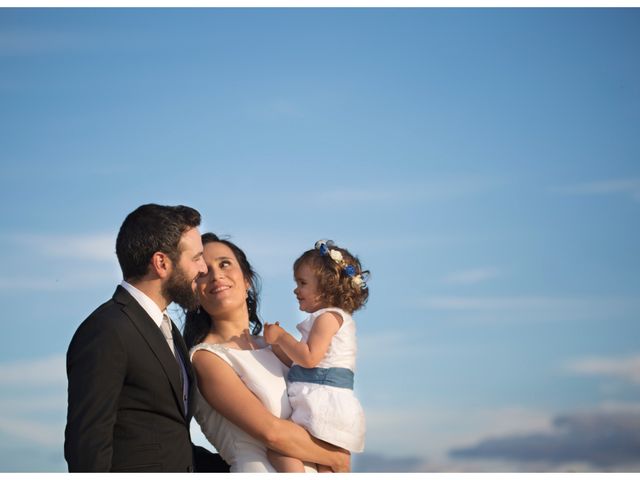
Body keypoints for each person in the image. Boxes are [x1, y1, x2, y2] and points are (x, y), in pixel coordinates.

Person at [64, 204, 228, 472]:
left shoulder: (167, 329)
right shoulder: (107, 330)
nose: (202, 269)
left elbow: (167, 441)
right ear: (161, 263)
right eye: (196, 257)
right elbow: (87, 444)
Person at [184, 233, 351, 473]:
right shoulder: (206, 358)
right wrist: (337, 458)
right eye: (203, 273)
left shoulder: (279, 345)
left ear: (247, 279)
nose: (216, 275)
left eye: (224, 264)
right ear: (194, 291)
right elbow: (271, 432)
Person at [263, 239, 368, 472]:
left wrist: (282, 337)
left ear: (326, 288)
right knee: (325, 465)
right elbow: (298, 362)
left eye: (302, 283)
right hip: (324, 400)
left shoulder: (327, 318)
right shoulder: (327, 319)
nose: (295, 289)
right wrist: (276, 347)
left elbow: (310, 358)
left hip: (322, 405)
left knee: (280, 449)